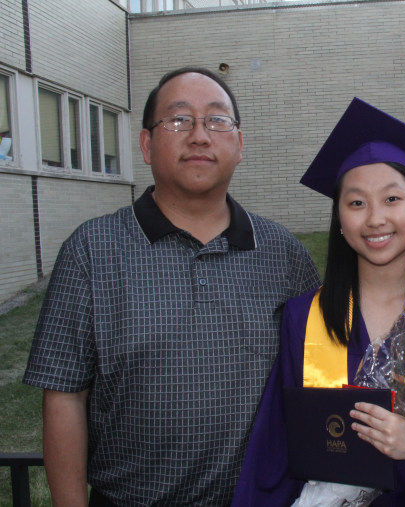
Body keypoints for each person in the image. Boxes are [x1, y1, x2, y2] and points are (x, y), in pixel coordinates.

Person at [23, 67, 320, 506]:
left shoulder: (283, 256)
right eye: (179, 120)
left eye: (217, 120)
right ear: (146, 144)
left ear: (239, 145)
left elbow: (318, 377)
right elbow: (65, 397)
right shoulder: (92, 251)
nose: (200, 136)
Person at [232, 98, 405, 506]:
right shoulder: (304, 318)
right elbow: (274, 447)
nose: (375, 218)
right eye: (356, 202)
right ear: (340, 221)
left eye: (392, 199)